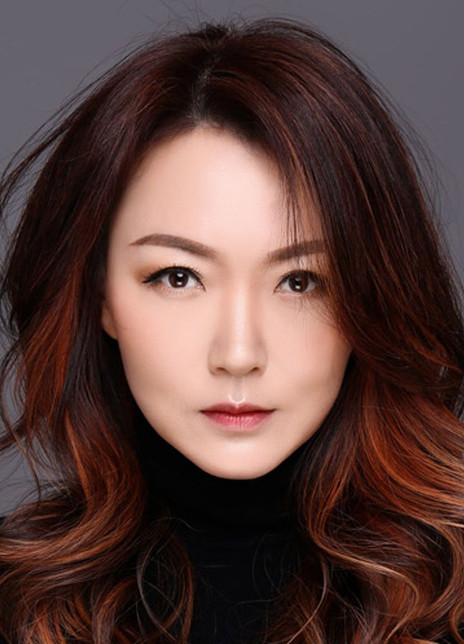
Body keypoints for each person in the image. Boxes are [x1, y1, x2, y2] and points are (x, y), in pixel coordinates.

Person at [0, 16, 463, 644]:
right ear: (101, 293)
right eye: (179, 277)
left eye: (300, 281)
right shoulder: (18, 603)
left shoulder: (449, 597)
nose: (239, 354)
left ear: (374, 297)